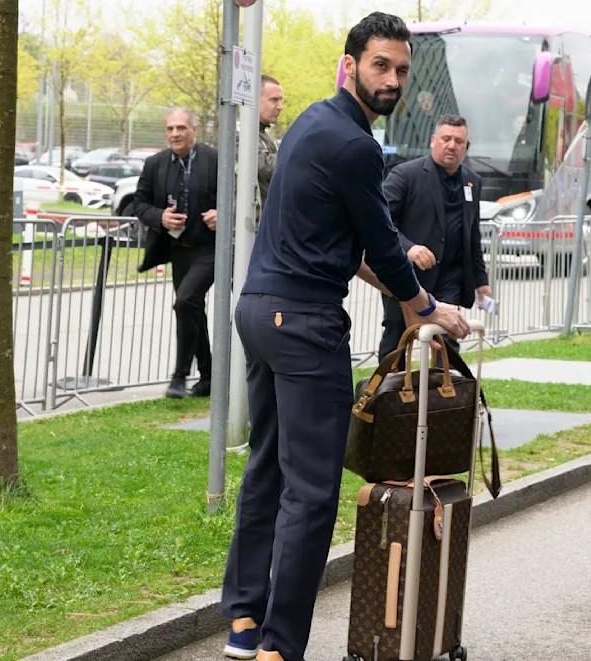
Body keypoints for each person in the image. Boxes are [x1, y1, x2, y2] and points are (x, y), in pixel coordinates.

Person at [219, 13, 469, 661]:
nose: (392, 80)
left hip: (260, 311)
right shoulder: (358, 146)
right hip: (305, 326)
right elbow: (383, 246)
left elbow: (346, 246)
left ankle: (243, 620)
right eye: (381, 65)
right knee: (310, 491)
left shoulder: (310, 122)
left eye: (402, 70)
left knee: (267, 467)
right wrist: (427, 308)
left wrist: (409, 299)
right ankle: (279, 646)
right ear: (350, 64)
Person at [377, 114, 491, 360]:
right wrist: (409, 248)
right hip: (407, 276)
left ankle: (443, 384)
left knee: (447, 337)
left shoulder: (472, 181)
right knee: (398, 338)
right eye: (445, 139)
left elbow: (472, 234)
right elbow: (379, 221)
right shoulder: (405, 175)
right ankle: (390, 384)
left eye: (458, 141)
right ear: (433, 141)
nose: (451, 145)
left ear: (466, 146)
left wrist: (481, 281)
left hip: (450, 278)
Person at [133, 107, 218, 399]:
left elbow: (236, 195)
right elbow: (139, 203)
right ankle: (208, 377)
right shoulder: (155, 164)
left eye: (181, 128)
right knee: (192, 307)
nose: (175, 134)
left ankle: (179, 376)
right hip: (178, 249)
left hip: (209, 248)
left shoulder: (214, 159)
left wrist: (221, 213)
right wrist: (160, 217)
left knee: (184, 301)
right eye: (170, 128)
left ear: (194, 130)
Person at [257, 75, 284, 212]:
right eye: (274, 100)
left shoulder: (263, 135)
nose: (280, 107)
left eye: (281, 100)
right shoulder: (241, 134)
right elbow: (264, 166)